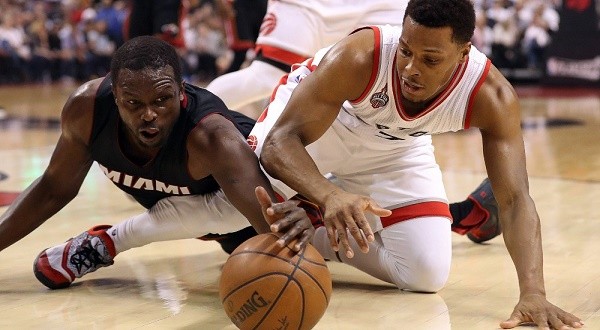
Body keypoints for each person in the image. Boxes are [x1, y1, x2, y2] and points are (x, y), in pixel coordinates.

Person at [251, 0, 584, 328]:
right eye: (407, 51)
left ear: (464, 53)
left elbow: (514, 199)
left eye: (431, 59)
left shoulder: (491, 94)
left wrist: (534, 292)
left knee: (426, 271)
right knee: (233, 209)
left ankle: (310, 225)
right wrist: (327, 194)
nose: (411, 68)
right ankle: (288, 191)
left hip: (398, 145)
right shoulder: (363, 52)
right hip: (333, 126)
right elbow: (280, 143)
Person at [0, 36, 313, 289]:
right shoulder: (88, 110)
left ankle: (107, 242)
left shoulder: (212, 137)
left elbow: (272, 224)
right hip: (196, 222)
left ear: (181, 91)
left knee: (323, 251)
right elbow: (54, 188)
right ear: (115, 95)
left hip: (260, 199)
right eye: (133, 103)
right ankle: (101, 243)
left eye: (162, 100)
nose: (148, 114)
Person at [205, 0, 409, 117]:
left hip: (385, 3)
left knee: (386, 77)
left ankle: (354, 165)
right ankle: (188, 120)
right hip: (309, 3)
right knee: (266, 77)